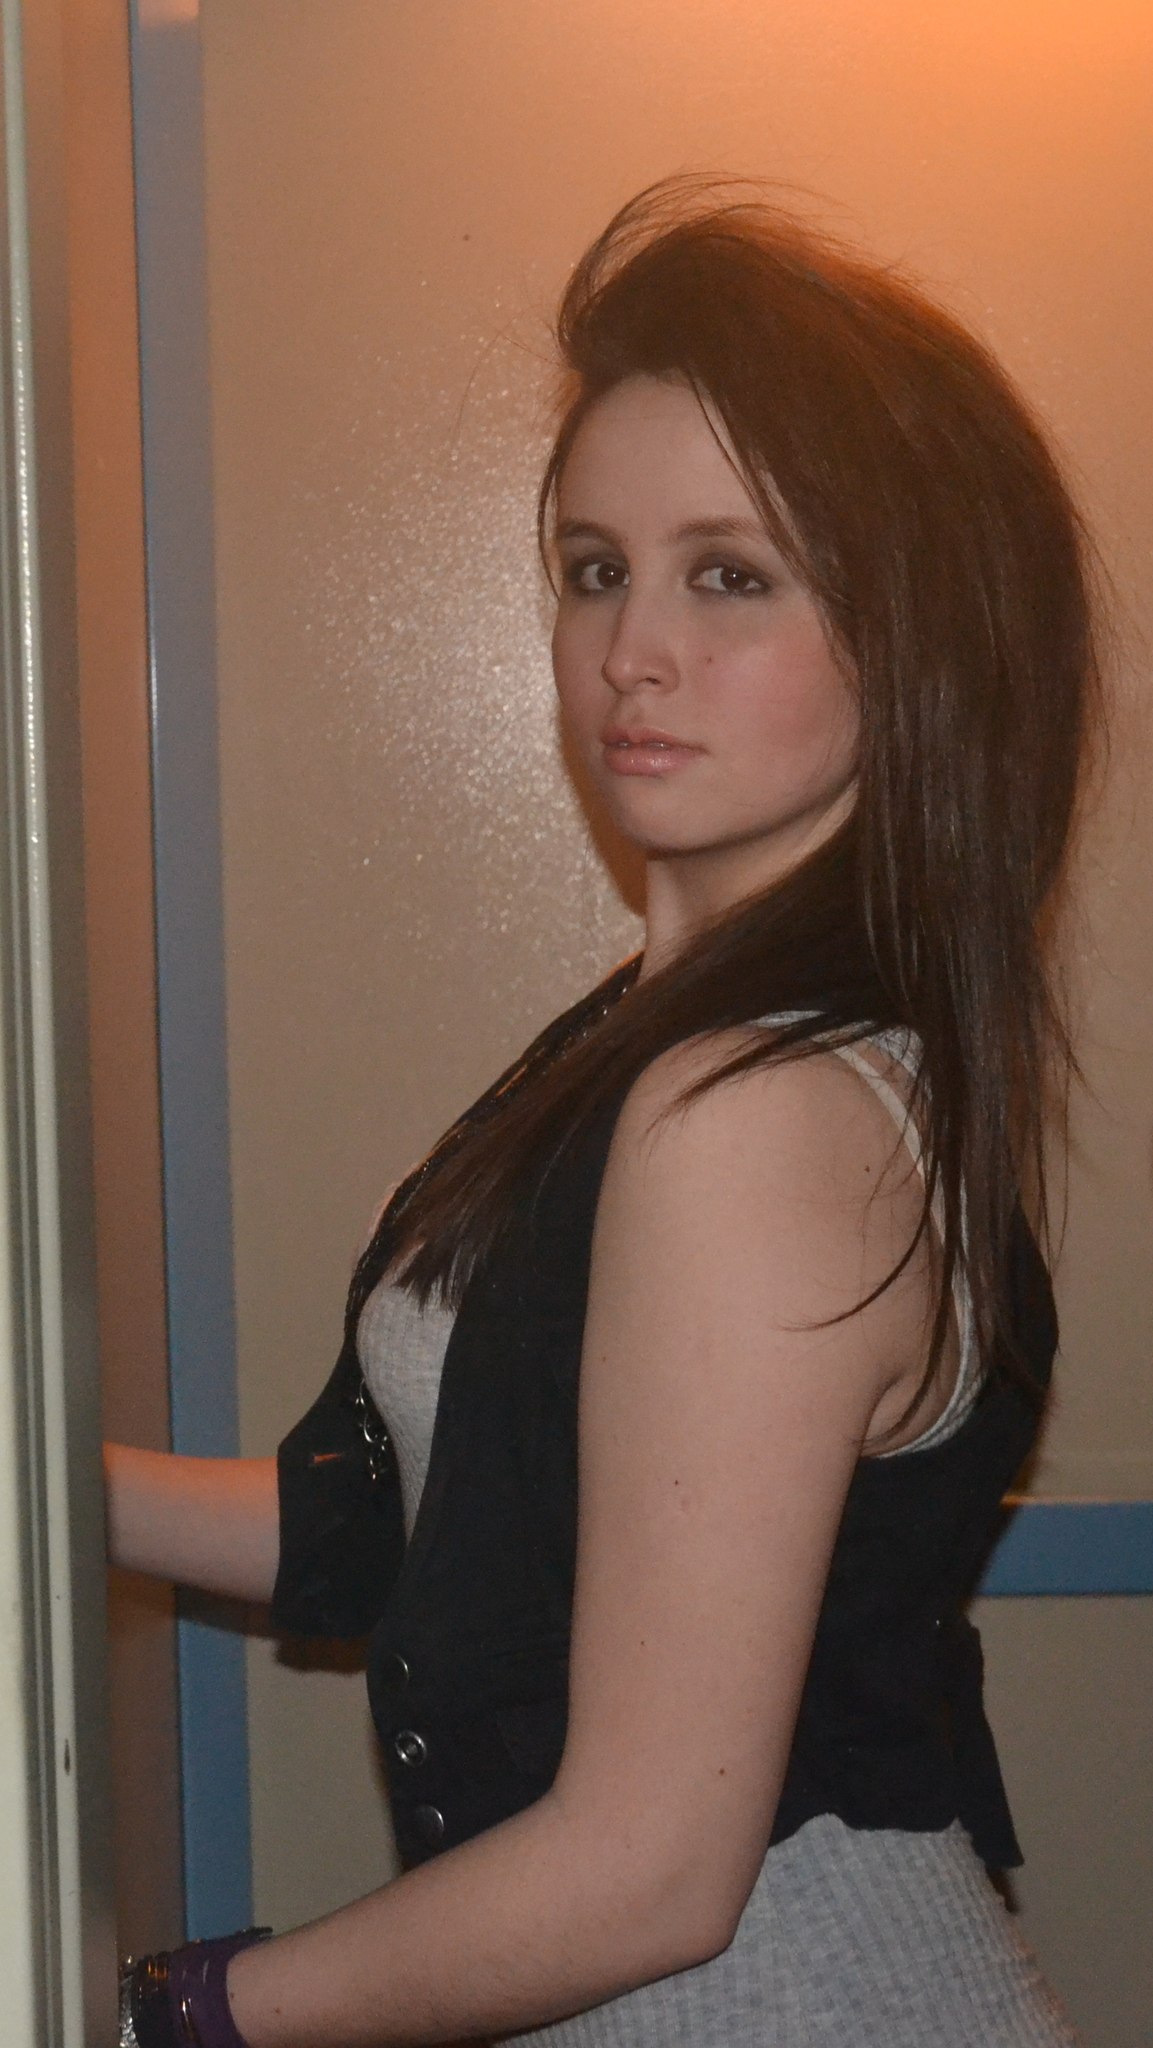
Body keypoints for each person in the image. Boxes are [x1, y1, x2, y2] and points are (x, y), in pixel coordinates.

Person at [108, 179, 1097, 2046]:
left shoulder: (756, 1112)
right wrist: (53, 1495)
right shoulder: (668, 1042)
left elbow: (649, 1868)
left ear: (912, 633)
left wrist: (176, 2014)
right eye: (592, 566)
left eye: (730, 575)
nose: (631, 646)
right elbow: (403, 1525)